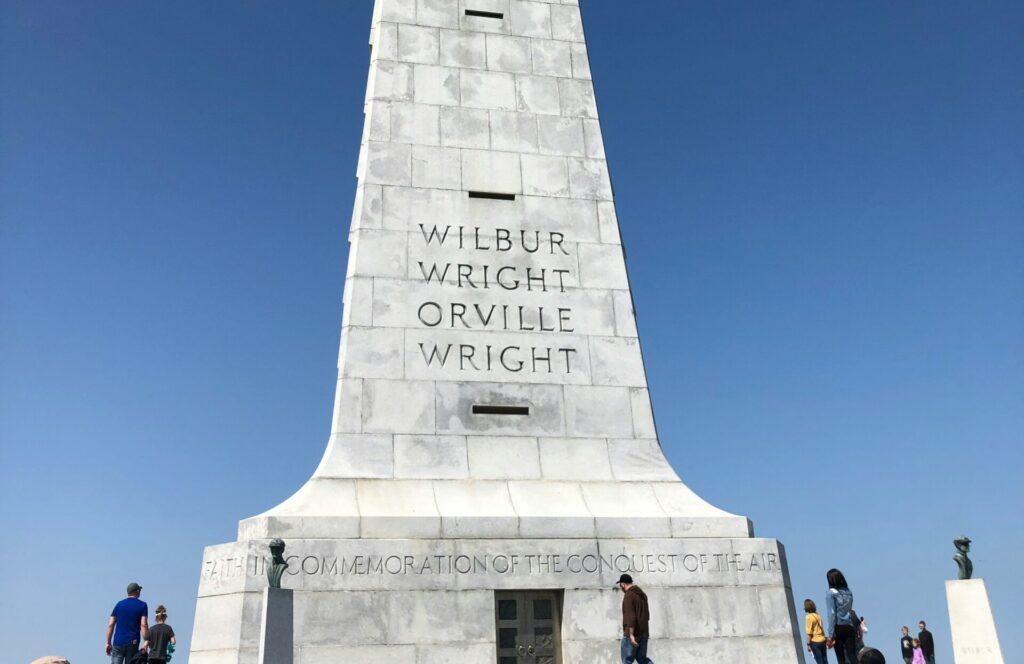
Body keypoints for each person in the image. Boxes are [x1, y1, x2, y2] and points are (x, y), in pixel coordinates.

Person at [106, 582, 149, 664]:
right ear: (137, 591)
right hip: (133, 642)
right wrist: (146, 642)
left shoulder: (119, 604)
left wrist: (108, 642)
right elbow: (143, 625)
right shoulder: (142, 605)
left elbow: (110, 624)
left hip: (118, 642)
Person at [616, 574, 652, 664]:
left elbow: (630, 616)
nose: (620, 588)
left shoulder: (629, 595)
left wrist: (631, 635)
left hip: (632, 634)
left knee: (627, 660)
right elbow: (647, 615)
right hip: (644, 633)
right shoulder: (643, 595)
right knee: (642, 659)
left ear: (623, 584)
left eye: (620, 585)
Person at [824, 568, 858, 664]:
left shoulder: (830, 593)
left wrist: (830, 635)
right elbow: (850, 608)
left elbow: (831, 614)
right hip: (849, 626)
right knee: (852, 656)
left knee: (841, 658)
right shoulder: (849, 592)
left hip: (838, 627)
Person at [803, 599, 828, 664]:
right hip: (822, 640)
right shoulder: (818, 615)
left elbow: (809, 633)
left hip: (815, 642)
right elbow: (822, 627)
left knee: (819, 661)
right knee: (825, 660)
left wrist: (808, 644)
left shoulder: (808, 617)